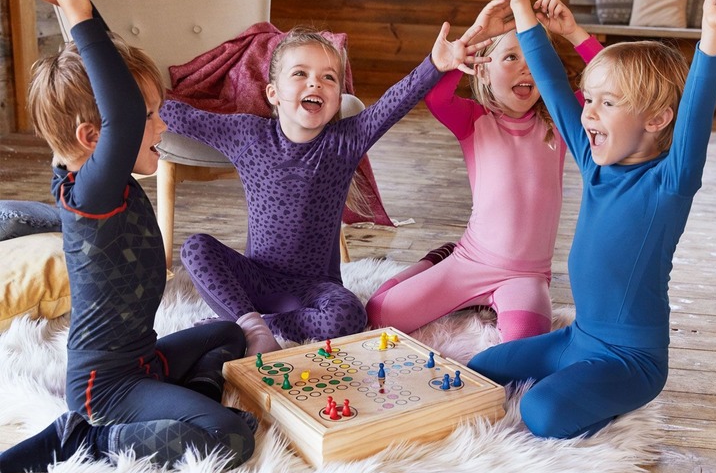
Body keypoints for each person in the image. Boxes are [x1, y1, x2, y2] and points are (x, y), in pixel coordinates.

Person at [467, 0, 716, 439]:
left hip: (631, 360)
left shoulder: (669, 183)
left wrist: (711, 35)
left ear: (657, 120)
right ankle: (574, 378)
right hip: (577, 339)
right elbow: (554, 86)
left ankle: (602, 401)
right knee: (483, 366)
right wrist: (522, 13)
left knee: (541, 413)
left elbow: (696, 118)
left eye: (607, 102)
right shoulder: (596, 163)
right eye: (590, 99)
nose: (588, 113)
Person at [0, 0, 257, 473]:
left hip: (144, 360)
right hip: (106, 388)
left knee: (230, 334)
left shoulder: (88, 164)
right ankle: (83, 443)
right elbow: (116, 105)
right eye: (151, 117)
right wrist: (75, 14)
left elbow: (109, 89)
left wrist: (79, 12)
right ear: (94, 138)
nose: (162, 127)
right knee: (228, 437)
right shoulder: (92, 191)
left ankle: (179, 404)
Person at [160, 20, 493, 356]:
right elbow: (183, 117)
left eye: (328, 77)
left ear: (337, 99)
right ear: (273, 93)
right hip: (256, 278)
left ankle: (265, 325)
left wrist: (434, 65)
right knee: (195, 248)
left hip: (314, 288)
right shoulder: (247, 135)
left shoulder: (344, 141)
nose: (314, 83)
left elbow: (394, 102)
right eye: (300, 74)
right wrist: (131, 96)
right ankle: (249, 323)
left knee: (350, 316)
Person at [366, 0, 603, 342]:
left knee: (524, 341)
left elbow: (611, 81)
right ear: (483, 69)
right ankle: (436, 259)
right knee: (378, 312)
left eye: (534, 59)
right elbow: (437, 98)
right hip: (469, 262)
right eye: (510, 57)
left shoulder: (561, 122)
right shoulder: (473, 120)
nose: (526, 68)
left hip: (526, 276)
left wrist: (574, 32)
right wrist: (477, 35)